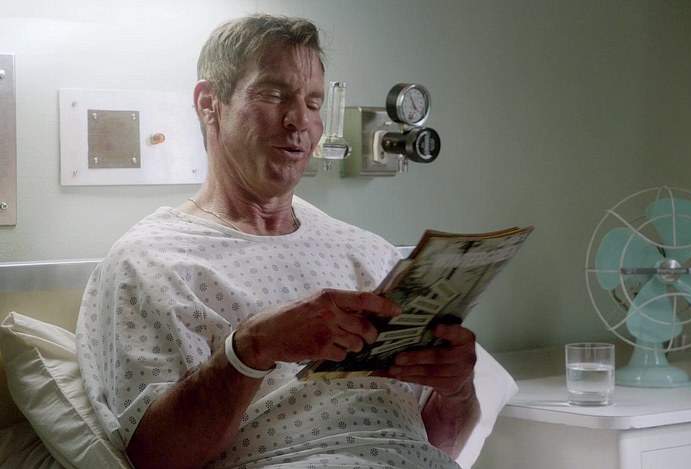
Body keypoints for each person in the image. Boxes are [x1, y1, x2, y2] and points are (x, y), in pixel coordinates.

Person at [75, 13, 480, 469]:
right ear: (209, 104)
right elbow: (155, 457)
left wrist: (457, 389)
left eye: (313, 102)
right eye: (273, 95)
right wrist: (252, 349)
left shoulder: (373, 256)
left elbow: (440, 444)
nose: (299, 121)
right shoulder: (150, 262)